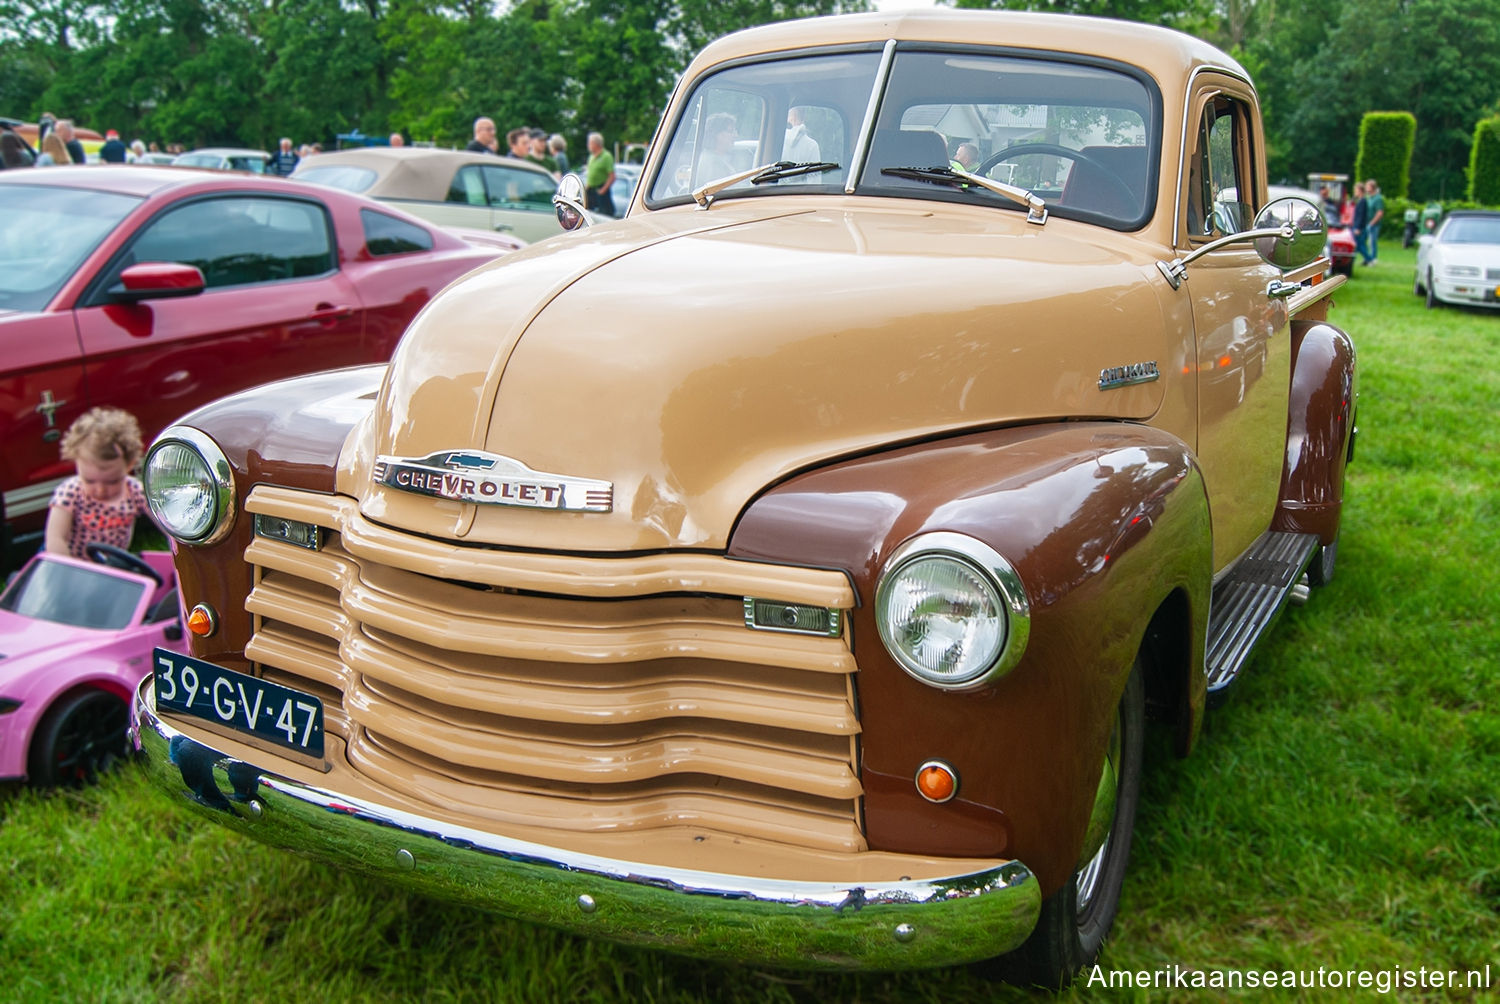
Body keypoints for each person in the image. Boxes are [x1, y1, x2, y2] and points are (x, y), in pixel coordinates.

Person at [45, 408, 153, 559]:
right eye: (89, 480)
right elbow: (56, 539)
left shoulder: (134, 491)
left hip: (112, 566)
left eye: (112, 481)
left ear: (129, 465)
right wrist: (68, 573)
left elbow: (168, 523)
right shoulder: (70, 492)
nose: (100, 490)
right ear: (76, 463)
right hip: (73, 567)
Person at [696, 113, 738, 182]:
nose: (736, 135)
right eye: (730, 131)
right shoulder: (714, 164)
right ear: (716, 134)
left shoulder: (711, 157)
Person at [584, 131, 616, 216]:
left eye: (590, 143)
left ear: (596, 144)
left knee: (605, 213)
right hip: (591, 190)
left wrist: (603, 190)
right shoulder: (591, 157)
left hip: (601, 189)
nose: (588, 145)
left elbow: (612, 176)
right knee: (588, 213)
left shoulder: (606, 156)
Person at [1363, 178, 1385, 266]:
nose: (1366, 188)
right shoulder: (1369, 198)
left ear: (1372, 187)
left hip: (1374, 225)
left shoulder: (1378, 199)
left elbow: (1380, 213)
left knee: (1372, 242)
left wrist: (1372, 223)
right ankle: (1367, 258)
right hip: (1367, 223)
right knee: (1366, 242)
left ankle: (1373, 258)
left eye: (1367, 186)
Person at [1350, 181, 1369, 265]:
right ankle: (1367, 259)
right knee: (1361, 245)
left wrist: (1357, 228)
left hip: (1359, 227)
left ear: (1360, 191)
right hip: (1358, 226)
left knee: (1359, 245)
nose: (1355, 192)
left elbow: (1361, 216)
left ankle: (1369, 259)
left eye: (1356, 190)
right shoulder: (1360, 201)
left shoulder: (1362, 202)